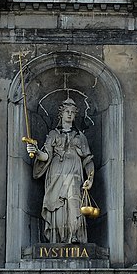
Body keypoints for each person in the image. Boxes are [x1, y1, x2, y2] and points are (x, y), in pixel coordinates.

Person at [27, 98, 94, 244]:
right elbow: (46, 156)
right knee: (57, 205)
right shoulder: (53, 134)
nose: (69, 115)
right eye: (66, 112)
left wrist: (90, 178)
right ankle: (58, 238)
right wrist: (36, 151)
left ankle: (74, 235)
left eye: (72, 112)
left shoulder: (80, 137)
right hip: (56, 173)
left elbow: (88, 160)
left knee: (74, 203)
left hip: (75, 172)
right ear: (61, 114)